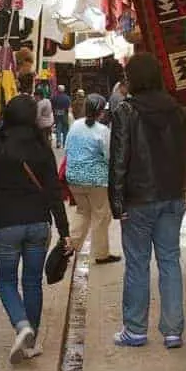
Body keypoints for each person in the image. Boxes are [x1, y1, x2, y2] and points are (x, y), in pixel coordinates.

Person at [0, 95, 71, 365]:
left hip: (6, 223)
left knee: (6, 282)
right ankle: (30, 342)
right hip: (38, 224)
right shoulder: (42, 147)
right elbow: (54, 192)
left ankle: (22, 326)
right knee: (32, 282)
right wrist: (64, 230)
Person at [109, 53, 186, 349]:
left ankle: (135, 329)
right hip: (172, 196)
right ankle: (172, 331)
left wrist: (117, 203)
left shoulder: (126, 112)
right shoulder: (176, 110)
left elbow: (119, 160)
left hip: (139, 199)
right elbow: (183, 155)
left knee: (138, 264)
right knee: (169, 260)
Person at [66, 94, 120, 265]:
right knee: (101, 215)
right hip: (96, 180)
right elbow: (109, 156)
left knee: (82, 212)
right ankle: (101, 254)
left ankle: (69, 247)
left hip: (74, 177)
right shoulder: (103, 131)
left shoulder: (75, 125)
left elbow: (67, 149)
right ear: (101, 112)